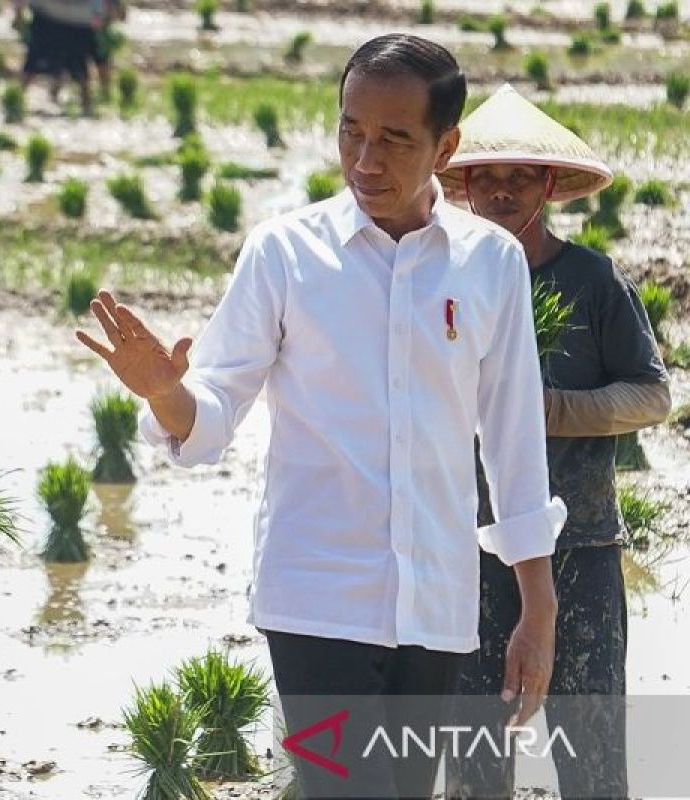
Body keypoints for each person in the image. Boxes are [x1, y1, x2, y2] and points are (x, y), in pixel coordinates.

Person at [77, 35, 565, 798]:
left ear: (447, 147)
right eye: (351, 131)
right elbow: (211, 413)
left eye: (395, 139)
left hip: (436, 602)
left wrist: (539, 606)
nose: (365, 159)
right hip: (312, 600)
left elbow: (513, 442)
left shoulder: (490, 262)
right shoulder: (285, 254)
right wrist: (161, 391)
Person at [438, 84, 671, 800]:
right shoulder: (444, 277)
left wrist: (544, 410)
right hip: (470, 546)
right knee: (475, 756)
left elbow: (652, 394)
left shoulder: (593, 280)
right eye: (488, 176)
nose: (502, 191)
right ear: (465, 184)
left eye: (519, 177)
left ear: (548, 185)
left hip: (583, 541)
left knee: (593, 755)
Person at [13, 0, 104, 116]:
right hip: (54, 15)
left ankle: (86, 106)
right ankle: (15, 99)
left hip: (75, 18)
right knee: (34, 61)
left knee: (79, 65)